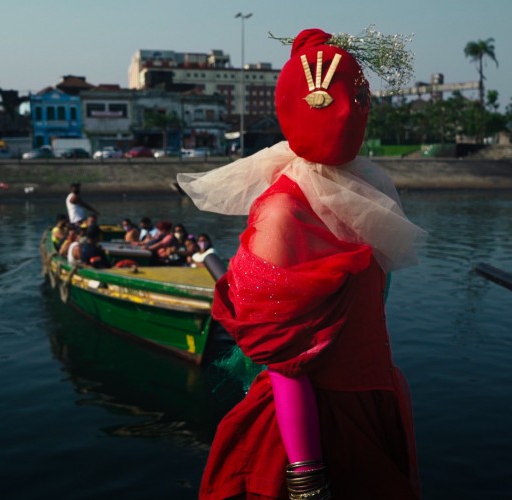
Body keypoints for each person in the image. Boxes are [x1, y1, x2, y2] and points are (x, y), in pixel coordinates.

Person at [177, 28, 425, 499]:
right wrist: (307, 476)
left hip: (370, 405)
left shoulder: (364, 198)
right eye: (328, 102)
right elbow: (282, 355)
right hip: (310, 437)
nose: (350, 112)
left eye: (360, 98)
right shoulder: (283, 213)